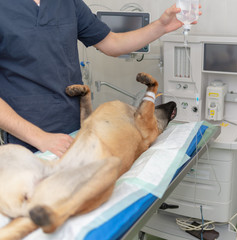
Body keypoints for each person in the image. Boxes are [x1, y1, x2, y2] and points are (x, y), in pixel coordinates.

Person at [0, 0, 198, 157]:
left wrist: (161, 26)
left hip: (76, 131)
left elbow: (112, 43)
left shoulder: (67, 4)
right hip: (27, 142)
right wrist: (42, 139)